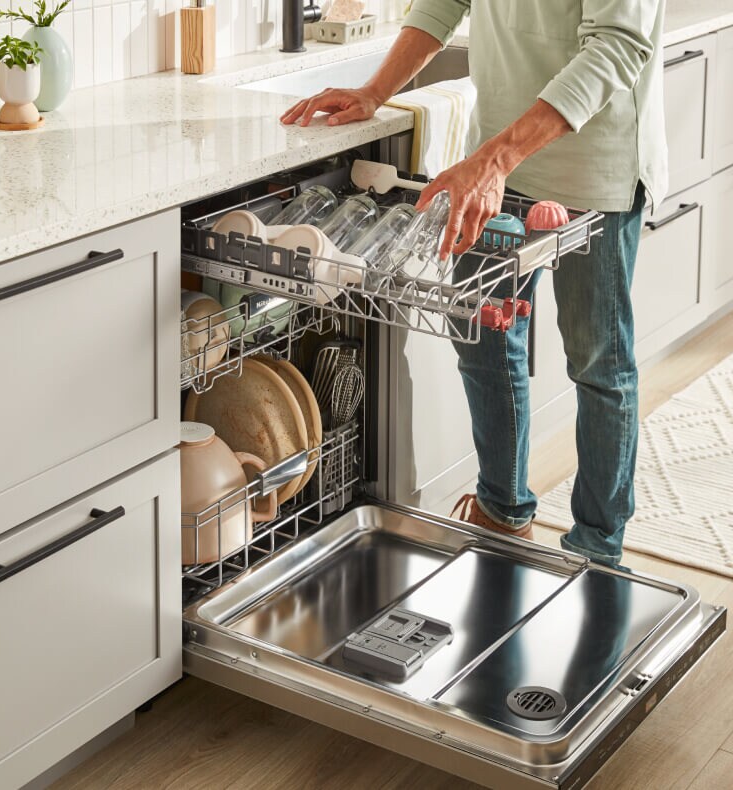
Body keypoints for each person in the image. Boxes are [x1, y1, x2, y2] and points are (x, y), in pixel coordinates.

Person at [281, 1, 667, 567]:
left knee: (598, 363)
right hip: (497, 160)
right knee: (484, 340)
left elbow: (617, 46)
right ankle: (503, 512)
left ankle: (597, 549)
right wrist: (375, 90)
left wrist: (494, 160)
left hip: (590, 168)